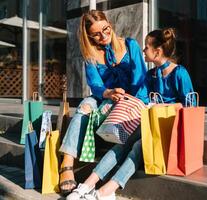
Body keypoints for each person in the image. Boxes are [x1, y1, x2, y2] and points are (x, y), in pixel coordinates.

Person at [66, 27, 195, 200]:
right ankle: (88, 184)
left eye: (146, 47)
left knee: (138, 146)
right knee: (122, 142)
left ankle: (106, 190)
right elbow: (141, 98)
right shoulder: (151, 75)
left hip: (170, 129)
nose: (143, 50)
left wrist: (162, 108)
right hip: (152, 123)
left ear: (157, 52)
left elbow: (190, 105)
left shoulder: (179, 73)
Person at [59, 10, 147, 195]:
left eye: (106, 29)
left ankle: (97, 185)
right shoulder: (90, 55)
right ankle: (67, 163)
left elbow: (140, 78)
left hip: (132, 101)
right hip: (105, 99)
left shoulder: (130, 45)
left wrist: (124, 98)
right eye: (97, 34)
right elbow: (96, 85)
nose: (104, 35)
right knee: (85, 105)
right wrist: (108, 93)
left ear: (110, 24)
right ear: (89, 36)